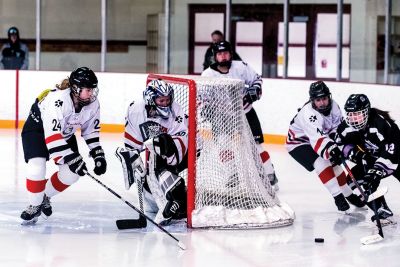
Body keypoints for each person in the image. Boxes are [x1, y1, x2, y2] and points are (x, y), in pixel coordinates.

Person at [20, 67, 107, 224]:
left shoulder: (93, 104)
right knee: (36, 167)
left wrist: (98, 153)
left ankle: (44, 196)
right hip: (37, 131)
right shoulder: (58, 100)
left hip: (65, 134)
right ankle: (34, 205)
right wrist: (73, 158)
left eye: (92, 89)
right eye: (88, 89)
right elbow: (52, 138)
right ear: (75, 88)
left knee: (72, 174)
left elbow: (91, 131)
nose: (92, 93)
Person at [201, 40, 279, 190]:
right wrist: (205, 108)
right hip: (222, 117)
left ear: (230, 54)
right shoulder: (208, 74)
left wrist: (254, 91)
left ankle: (269, 174)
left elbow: (257, 80)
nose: (223, 56)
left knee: (256, 146)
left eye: (225, 53)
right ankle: (232, 174)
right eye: (220, 54)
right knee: (223, 145)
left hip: (246, 113)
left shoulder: (241, 67)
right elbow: (202, 97)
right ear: (215, 56)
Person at [116, 79, 188, 225]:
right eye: (162, 100)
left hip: (187, 150)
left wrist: (164, 146)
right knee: (151, 198)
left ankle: (177, 196)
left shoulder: (176, 111)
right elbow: (132, 145)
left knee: (159, 147)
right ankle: (175, 201)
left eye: (168, 100)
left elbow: (181, 141)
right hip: (161, 158)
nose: (166, 103)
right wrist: (134, 161)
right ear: (151, 99)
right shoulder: (136, 110)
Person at [286, 81, 364, 212]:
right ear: (312, 101)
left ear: (329, 97)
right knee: (322, 161)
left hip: (318, 139)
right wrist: (333, 150)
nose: (322, 103)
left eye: (324, 98)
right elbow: (318, 139)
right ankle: (338, 197)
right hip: (298, 143)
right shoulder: (309, 114)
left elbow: (336, 130)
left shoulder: (335, 106)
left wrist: (338, 146)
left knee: (336, 166)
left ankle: (349, 195)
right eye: (318, 100)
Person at [336, 94, 400, 222]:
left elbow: (391, 151)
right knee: (354, 181)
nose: (353, 119)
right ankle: (381, 209)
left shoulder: (380, 123)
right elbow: (339, 143)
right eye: (350, 115)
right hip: (372, 159)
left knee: (373, 176)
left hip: (395, 156)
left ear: (366, 112)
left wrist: (377, 170)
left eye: (357, 114)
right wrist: (355, 154)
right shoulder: (346, 127)